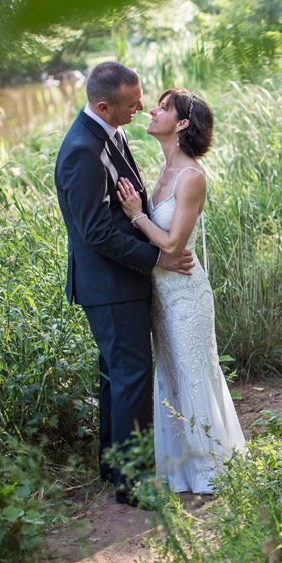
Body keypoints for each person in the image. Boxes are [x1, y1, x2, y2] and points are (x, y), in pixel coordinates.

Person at [54, 61, 195, 507]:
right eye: (132, 103)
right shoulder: (82, 150)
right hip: (110, 285)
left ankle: (114, 468)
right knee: (132, 377)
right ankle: (134, 484)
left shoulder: (111, 133)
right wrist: (159, 257)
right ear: (103, 105)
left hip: (120, 282)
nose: (141, 107)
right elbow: (95, 232)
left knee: (118, 378)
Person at [116, 88, 246, 494]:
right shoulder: (164, 170)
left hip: (187, 295)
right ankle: (180, 469)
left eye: (163, 108)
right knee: (170, 375)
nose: (152, 111)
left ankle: (209, 466)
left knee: (192, 373)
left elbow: (172, 244)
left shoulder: (191, 176)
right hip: (163, 295)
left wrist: (137, 216)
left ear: (183, 123)